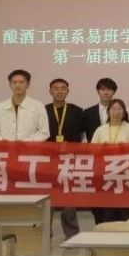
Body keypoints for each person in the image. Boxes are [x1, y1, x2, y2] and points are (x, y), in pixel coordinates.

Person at [44, 78, 84, 239]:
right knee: (47, 199)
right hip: (48, 161)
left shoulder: (77, 111)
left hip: (69, 160)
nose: (59, 91)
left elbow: (80, 136)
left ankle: (72, 234)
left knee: (68, 199)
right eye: (56, 88)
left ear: (68, 91)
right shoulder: (43, 111)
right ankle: (46, 232)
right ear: (50, 91)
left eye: (63, 88)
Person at [90, 99, 129, 224]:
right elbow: (91, 151)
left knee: (124, 212)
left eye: (119, 109)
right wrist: (102, 148)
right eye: (113, 109)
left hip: (124, 175)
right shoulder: (100, 130)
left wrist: (126, 148)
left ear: (124, 112)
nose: (116, 112)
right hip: (105, 176)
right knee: (107, 212)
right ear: (108, 112)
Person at [0, 70, 50, 141]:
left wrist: (26, 141)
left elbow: (44, 132)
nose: (18, 85)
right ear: (10, 85)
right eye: (14, 82)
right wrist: (2, 140)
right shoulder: (0, 107)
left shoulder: (38, 106)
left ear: (28, 85)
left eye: (21, 82)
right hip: (5, 146)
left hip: (29, 147)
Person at [81, 78, 118, 142]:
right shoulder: (87, 113)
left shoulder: (121, 112)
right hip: (93, 147)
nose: (106, 93)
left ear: (114, 92)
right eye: (103, 89)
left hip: (115, 147)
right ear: (98, 91)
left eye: (109, 89)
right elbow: (81, 135)